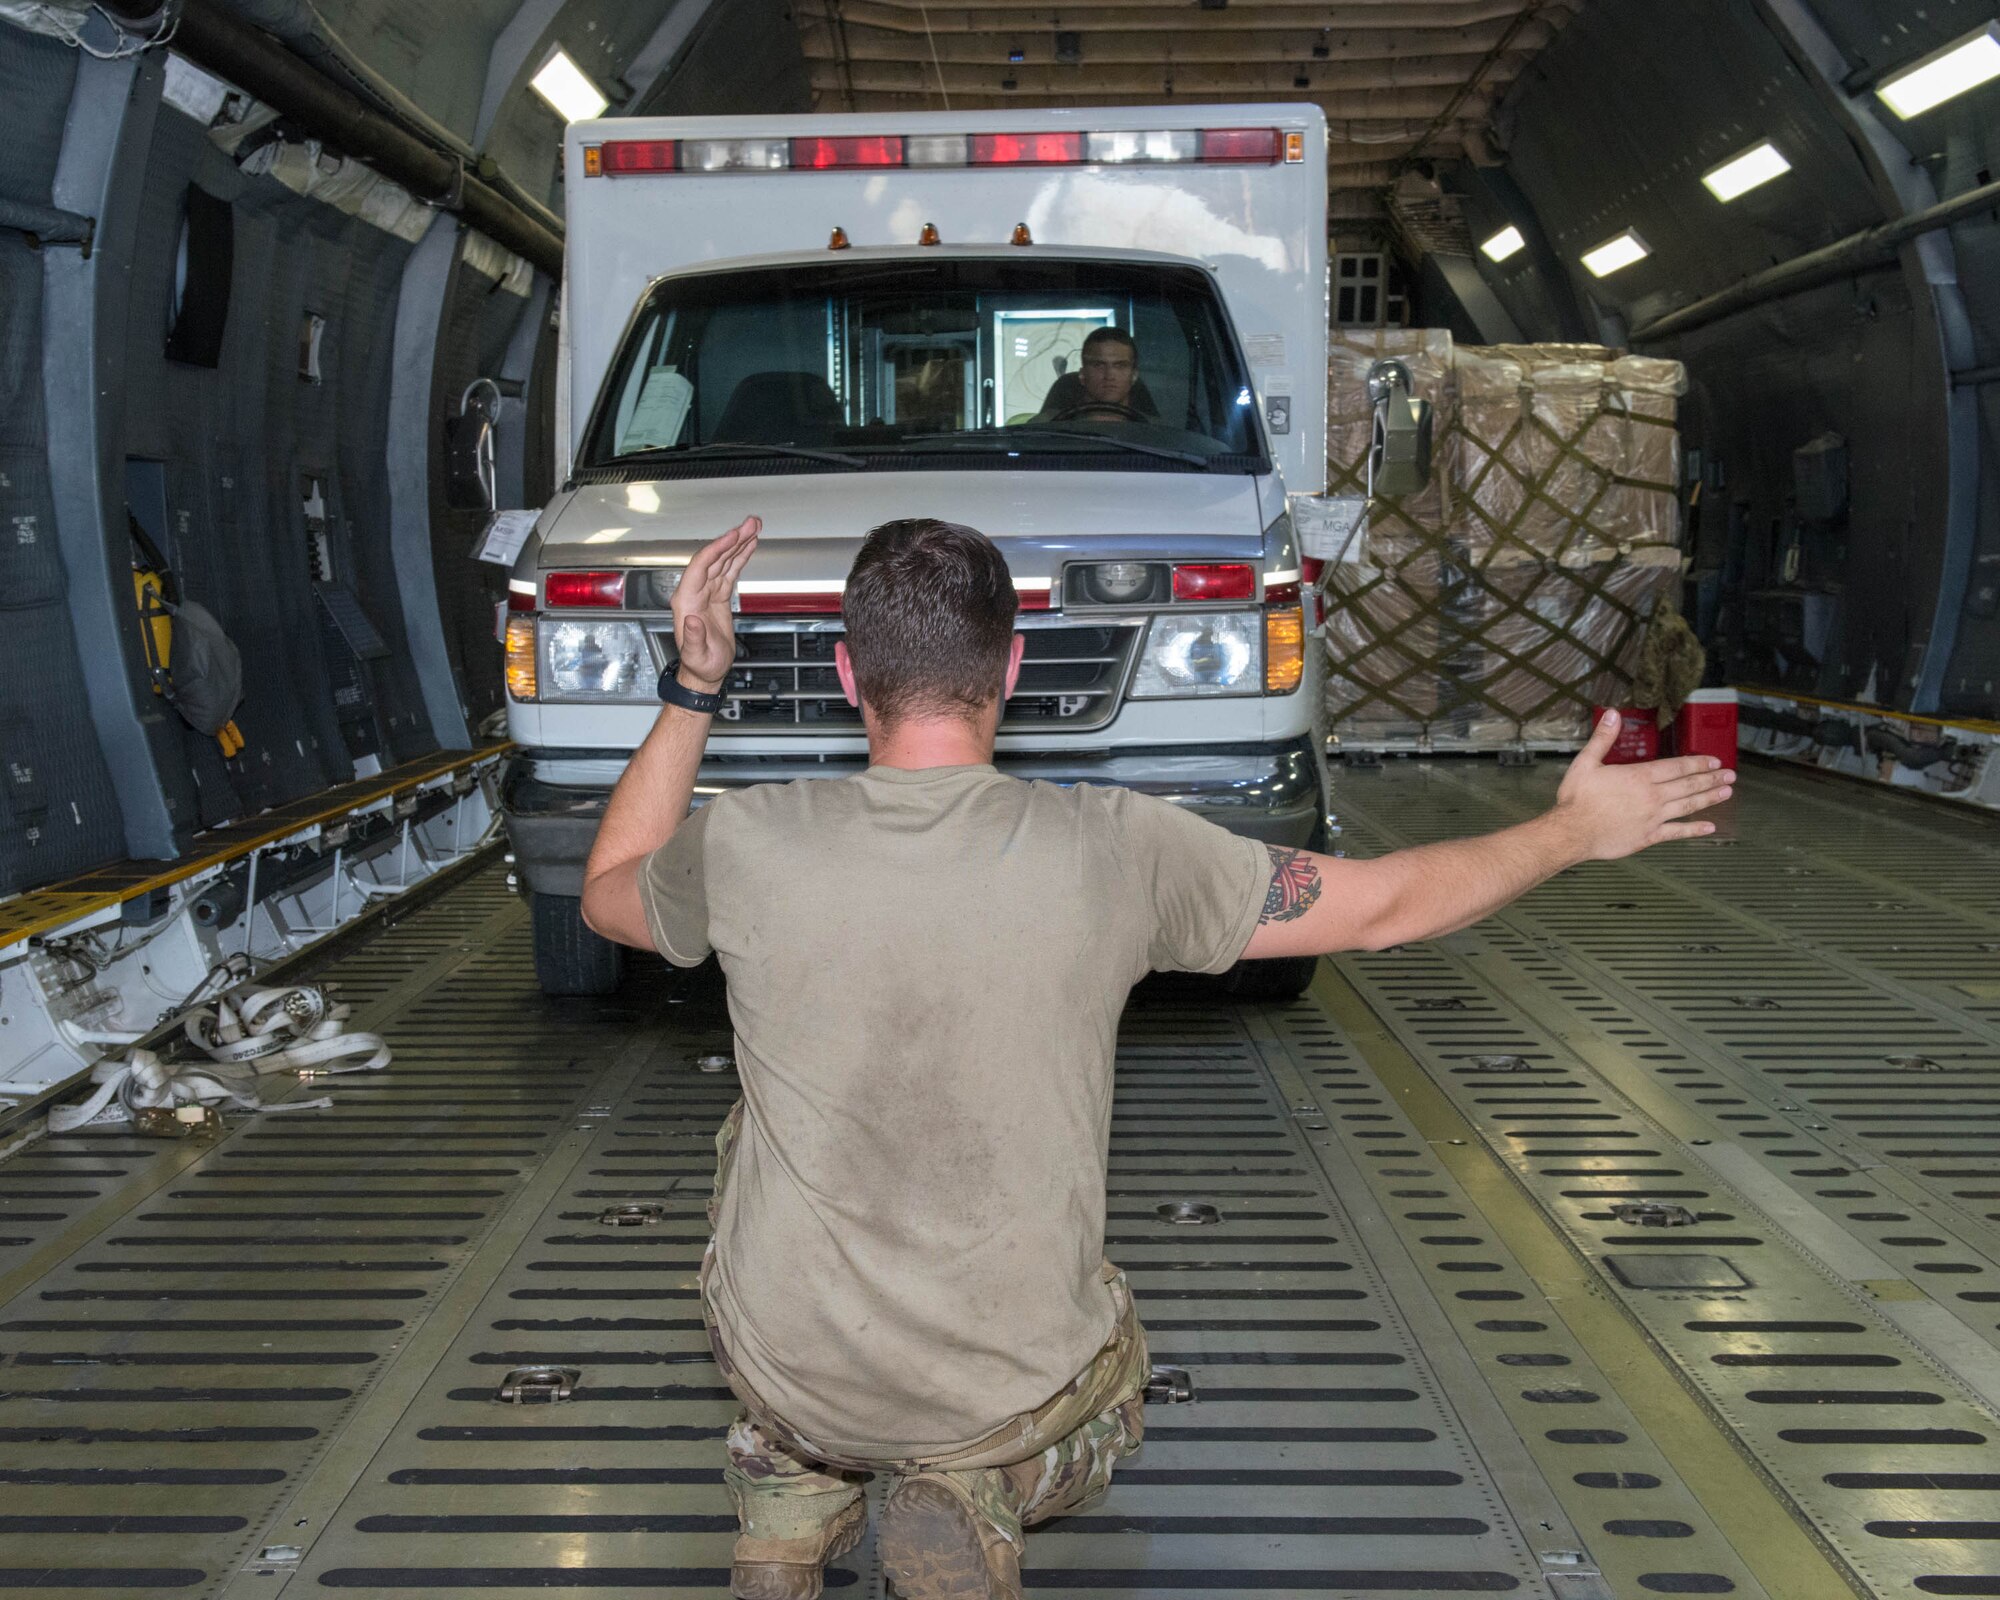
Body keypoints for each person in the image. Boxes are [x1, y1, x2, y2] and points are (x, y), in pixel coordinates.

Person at [579, 516, 1734, 1600]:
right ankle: (977, 1489)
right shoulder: (1116, 850)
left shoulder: (745, 841)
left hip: (797, 1366)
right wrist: (1573, 830)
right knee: (1109, 1345)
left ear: (847, 676)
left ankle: (789, 1490)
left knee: (754, 1147)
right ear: (1011, 670)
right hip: (1001, 1388)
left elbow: (603, 892)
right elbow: (1385, 907)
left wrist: (695, 684)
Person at [1035, 326, 1152, 421]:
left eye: (1120, 366)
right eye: (1098, 365)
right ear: (1082, 375)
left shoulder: (1155, 431)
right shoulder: (1046, 426)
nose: (1109, 375)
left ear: (1134, 375)